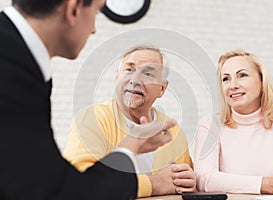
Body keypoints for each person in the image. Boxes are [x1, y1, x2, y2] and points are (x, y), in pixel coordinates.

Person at [0, 1, 177, 199]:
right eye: (96, 11)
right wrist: (148, 176)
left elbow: (44, 183)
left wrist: (133, 144)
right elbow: (63, 192)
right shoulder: (11, 70)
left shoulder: (18, 59)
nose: (93, 29)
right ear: (73, 9)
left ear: (163, 88)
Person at [63, 45, 196, 197]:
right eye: (129, 70)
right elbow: (79, 185)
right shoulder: (91, 119)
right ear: (117, 77)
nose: (135, 80)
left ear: (162, 89)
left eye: (148, 74)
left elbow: (185, 184)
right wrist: (155, 183)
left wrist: (189, 182)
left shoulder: (173, 131)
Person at [194, 49, 273, 195]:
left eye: (242, 75)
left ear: (262, 81)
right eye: (226, 79)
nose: (233, 85)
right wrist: (267, 184)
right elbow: (203, 179)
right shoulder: (211, 124)